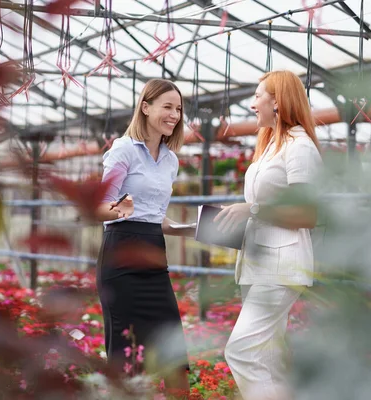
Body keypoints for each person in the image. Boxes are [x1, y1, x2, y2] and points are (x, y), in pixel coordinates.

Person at [214, 70, 323, 400]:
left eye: (257, 96)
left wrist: (253, 210)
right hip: (259, 264)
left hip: (281, 266)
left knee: (241, 352)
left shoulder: (300, 148)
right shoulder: (271, 147)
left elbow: (308, 214)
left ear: (277, 101)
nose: (251, 105)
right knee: (268, 356)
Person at [95, 79, 194, 390]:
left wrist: (184, 228)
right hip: (121, 257)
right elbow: (98, 208)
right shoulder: (123, 150)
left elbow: (153, 215)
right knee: (125, 357)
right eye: (167, 107)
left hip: (153, 256)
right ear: (145, 107)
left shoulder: (170, 160)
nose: (174, 115)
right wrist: (119, 208)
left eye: (178, 109)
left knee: (175, 357)